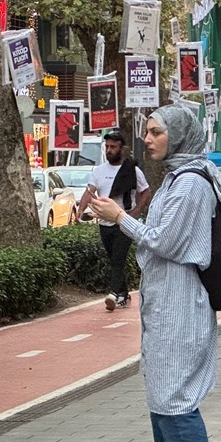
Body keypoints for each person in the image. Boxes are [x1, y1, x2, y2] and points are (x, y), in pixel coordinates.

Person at [89, 105, 221, 442]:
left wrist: (121, 218)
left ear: (180, 135)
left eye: (156, 132)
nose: (147, 139)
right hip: (165, 303)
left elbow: (165, 242)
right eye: (146, 131)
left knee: (176, 400)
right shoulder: (175, 178)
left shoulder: (189, 185)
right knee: (161, 398)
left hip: (182, 305)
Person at [76, 130, 152, 310]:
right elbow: (90, 191)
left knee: (118, 258)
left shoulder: (132, 170)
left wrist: (136, 210)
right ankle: (124, 293)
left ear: (121, 148)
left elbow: (146, 192)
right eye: (107, 146)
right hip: (104, 222)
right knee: (113, 259)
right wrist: (81, 209)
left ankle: (112, 294)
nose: (109, 150)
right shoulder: (99, 171)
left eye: (113, 147)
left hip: (125, 221)